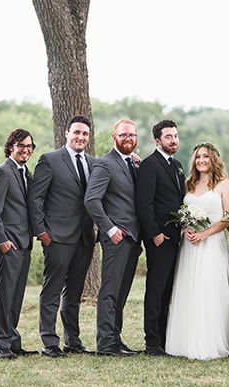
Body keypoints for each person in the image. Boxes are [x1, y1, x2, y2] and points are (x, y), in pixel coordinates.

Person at [29, 116, 95, 358]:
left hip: (85, 238)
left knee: (74, 293)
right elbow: (36, 198)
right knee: (52, 291)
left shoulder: (93, 163)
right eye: (76, 132)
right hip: (57, 237)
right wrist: (42, 232)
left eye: (85, 134)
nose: (80, 137)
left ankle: (73, 341)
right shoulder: (50, 160)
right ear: (66, 133)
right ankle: (49, 342)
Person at [165, 142, 229, 360]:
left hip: (212, 244)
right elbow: (183, 211)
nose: (201, 160)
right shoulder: (189, 183)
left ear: (213, 159)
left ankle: (211, 341)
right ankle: (185, 341)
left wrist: (205, 234)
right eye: (198, 157)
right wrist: (186, 228)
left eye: (205, 156)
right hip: (190, 245)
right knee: (189, 288)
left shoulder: (224, 184)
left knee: (209, 289)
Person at [84, 119, 142, 357]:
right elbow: (92, 200)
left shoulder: (134, 164)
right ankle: (106, 343)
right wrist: (109, 229)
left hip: (133, 239)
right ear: (114, 137)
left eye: (131, 135)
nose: (127, 138)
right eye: (123, 135)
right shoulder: (104, 164)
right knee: (110, 291)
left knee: (122, 291)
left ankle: (116, 338)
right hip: (116, 238)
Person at [0, 128, 38, 360]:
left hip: (24, 244)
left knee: (16, 296)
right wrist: (1, 241)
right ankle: (1, 345)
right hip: (9, 246)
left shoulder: (26, 172)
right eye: (21, 145)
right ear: (10, 147)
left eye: (29, 146)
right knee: (5, 296)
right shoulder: (2, 173)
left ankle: (13, 342)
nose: (25, 150)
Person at [135, 119, 186, 356]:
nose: (173, 140)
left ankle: (166, 339)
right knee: (155, 289)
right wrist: (154, 234)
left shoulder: (177, 165)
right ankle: (152, 342)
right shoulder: (149, 165)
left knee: (168, 290)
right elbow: (143, 204)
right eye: (168, 137)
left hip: (177, 239)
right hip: (160, 239)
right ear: (157, 140)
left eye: (175, 136)